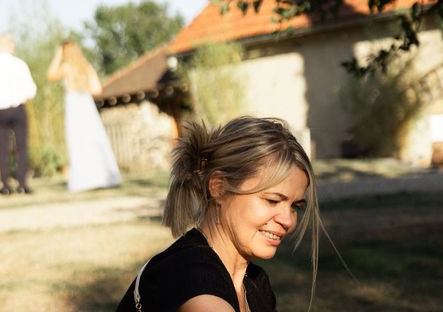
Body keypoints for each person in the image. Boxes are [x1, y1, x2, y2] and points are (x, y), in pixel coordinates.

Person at [116, 116, 320, 312]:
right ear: (219, 187)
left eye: (296, 206)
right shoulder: (190, 276)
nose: (288, 220)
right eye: (272, 201)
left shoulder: (255, 283)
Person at [46, 40, 121, 192]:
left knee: (78, 141)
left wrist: (57, 56)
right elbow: (97, 90)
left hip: (74, 104)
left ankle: (84, 179)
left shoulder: (66, 67)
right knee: (94, 139)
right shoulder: (86, 67)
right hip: (87, 104)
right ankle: (103, 176)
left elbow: (50, 75)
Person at [0, 34, 37, 195]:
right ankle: (22, 184)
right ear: (9, 45)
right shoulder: (19, 64)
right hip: (18, 108)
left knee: (2, 149)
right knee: (21, 148)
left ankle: (5, 185)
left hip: (0, 111)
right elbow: (31, 90)